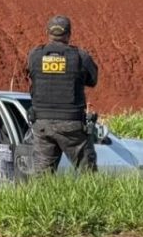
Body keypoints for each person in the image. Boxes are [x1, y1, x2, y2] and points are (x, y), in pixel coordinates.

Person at [26, 15, 99, 174]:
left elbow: (30, 74)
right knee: (88, 174)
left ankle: (40, 199)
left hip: (42, 123)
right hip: (71, 124)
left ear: (47, 32)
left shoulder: (35, 55)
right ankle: (93, 199)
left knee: (41, 176)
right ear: (69, 34)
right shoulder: (80, 56)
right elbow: (93, 80)